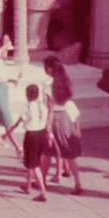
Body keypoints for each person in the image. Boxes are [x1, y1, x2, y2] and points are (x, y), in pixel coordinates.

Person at [45, 58, 83, 195]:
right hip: (67, 117)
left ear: (50, 68)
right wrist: (77, 127)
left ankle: (41, 181)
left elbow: (50, 107)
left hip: (55, 118)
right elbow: (71, 106)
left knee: (47, 152)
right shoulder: (66, 82)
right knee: (70, 155)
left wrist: (47, 126)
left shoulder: (48, 83)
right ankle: (78, 183)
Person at [0, 35, 21, 156]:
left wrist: (12, 80)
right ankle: (18, 147)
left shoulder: (1, 61)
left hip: (3, 89)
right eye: (3, 49)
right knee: (8, 120)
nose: (6, 51)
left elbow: (1, 76)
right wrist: (5, 44)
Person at [21, 82, 51, 201]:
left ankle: (42, 191)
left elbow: (23, 119)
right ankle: (27, 185)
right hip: (41, 134)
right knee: (32, 161)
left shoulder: (27, 106)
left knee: (34, 165)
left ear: (27, 95)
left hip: (31, 135)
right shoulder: (42, 106)